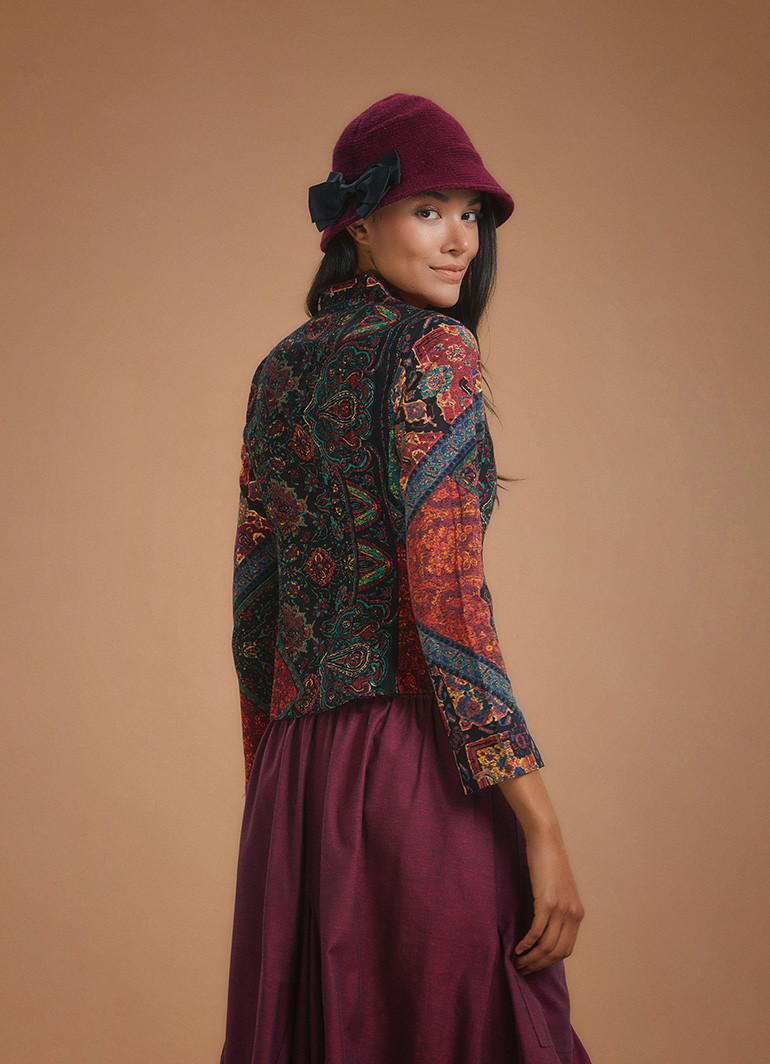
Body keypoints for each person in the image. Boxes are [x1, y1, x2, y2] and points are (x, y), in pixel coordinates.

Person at [219, 93, 593, 1064]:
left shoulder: (277, 370)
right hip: (417, 767)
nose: (460, 239)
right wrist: (541, 826)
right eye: (429, 210)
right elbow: (448, 599)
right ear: (358, 222)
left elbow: (255, 599)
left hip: (297, 779)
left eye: (470, 214)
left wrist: (271, 793)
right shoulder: (435, 350)